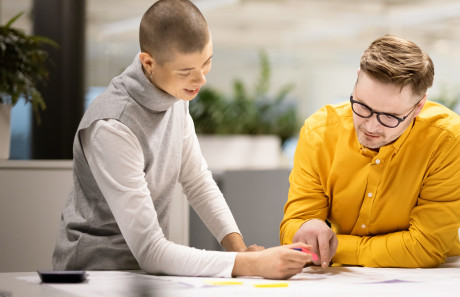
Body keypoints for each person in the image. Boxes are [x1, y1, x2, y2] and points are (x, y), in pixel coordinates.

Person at [53, 0, 311, 280]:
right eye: (186, 71)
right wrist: (250, 265)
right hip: (93, 275)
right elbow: (151, 250)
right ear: (148, 63)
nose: (200, 80)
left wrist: (241, 250)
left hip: (145, 273)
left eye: (207, 62)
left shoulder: (175, 95)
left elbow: (197, 181)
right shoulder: (112, 126)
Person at [280, 34, 460, 268]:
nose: (371, 126)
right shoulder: (319, 132)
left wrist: (329, 248)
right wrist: (305, 228)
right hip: (335, 279)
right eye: (362, 106)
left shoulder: (449, 140)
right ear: (357, 80)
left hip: (425, 279)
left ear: (419, 107)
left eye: (390, 117)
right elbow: (294, 233)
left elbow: (425, 247)